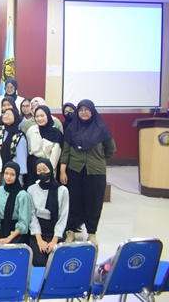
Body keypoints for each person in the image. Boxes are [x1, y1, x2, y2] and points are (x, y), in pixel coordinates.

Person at [60, 99, 116, 247]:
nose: (84, 113)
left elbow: (111, 149)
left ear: (92, 111)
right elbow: (65, 151)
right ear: (77, 112)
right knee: (74, 200)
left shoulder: (101, 129)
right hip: (74, 170)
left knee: (94, 202)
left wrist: (98, 159)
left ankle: (92, 233)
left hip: (95, 171)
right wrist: (62, 171)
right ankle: (71, 231)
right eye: (81, 110)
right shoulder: (72, 129)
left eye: (87, 110)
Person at [28, 158, 69, 267]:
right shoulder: (31, 189)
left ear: (50, 169)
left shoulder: (63, 190)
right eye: (39, 171)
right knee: (39, 262)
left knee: (56, 260)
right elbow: (31, 215)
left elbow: (63, 216)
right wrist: (39, 239)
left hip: (55, 228)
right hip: (38, 230)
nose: (42, 173)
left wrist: (54, 240)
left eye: (45, 170)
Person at [0, 162, 31, 245]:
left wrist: (8, 239)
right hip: (0, 229)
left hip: (16, 232)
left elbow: (23, 223)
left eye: (12, 174)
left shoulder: (23, 195)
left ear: (17, 176)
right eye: (6, 173)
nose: (8, 177)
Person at [25, 105, 64, 185]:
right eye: (37, 116)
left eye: (42, 116)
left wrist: (49, 171)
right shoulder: (31, 130)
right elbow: (28, 149)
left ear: (48, 116)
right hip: (32, 165)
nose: (39, 119)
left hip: (47, 166)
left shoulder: (56, 133)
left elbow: (55, 157)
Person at [0, 108, 28, 185]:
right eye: (5, 114)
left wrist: (20, 179)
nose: (6, 116)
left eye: (9, 114)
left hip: (11, 171)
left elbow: (21, 158)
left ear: (15, 117)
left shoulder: (19, 135)